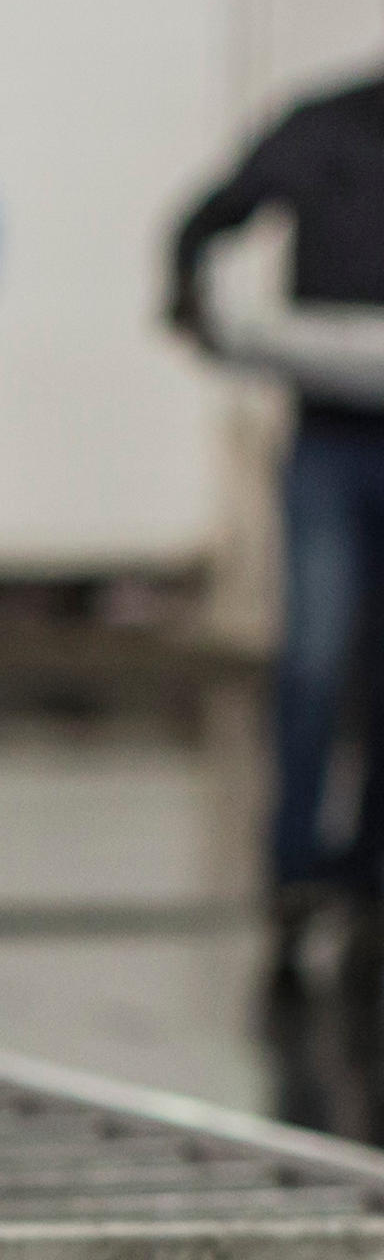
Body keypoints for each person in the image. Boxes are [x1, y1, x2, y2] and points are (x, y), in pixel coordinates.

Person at [171, 48, 384, 958]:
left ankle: (370, 871)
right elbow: (210, 215)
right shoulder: (327, 124)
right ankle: (295, 869)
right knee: (313, 663)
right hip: (332, 435)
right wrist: (189, 296)